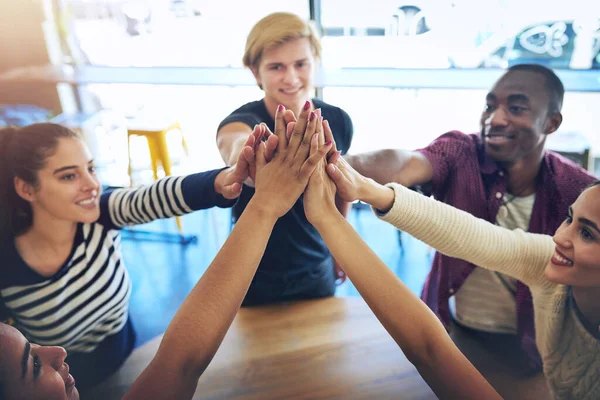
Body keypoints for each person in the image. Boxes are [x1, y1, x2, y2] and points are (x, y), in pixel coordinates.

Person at [0, 104, 333, 400]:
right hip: (71, 384)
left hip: (128, 358)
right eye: (69, 176)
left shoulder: (100, 214)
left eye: (91, 168)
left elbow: (158, 195)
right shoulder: (7, 267)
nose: (91, 185)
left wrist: (229, 178)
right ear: (26, 188)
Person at [346, 63, 596, 371]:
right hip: (455, 331)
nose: (495, 118)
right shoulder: (461, 151)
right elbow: (405, 163)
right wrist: (342, 164)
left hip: (532, 351)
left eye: (516, 108)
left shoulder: (576, 190)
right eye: (490, 106)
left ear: (551, 123)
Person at [324, 152, 599, 399]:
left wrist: (326, 216)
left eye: (586, 234)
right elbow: (473, 236)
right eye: (568, 218)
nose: (560, 237)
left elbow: (429, 350)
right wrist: (369, 190)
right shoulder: (548, 261)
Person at [216, 12, 354, 305]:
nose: (291, 78)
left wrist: (341, 251)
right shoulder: (239, 122)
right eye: (276, 67)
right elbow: (235, 146)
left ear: (314, 63)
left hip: (316, 269)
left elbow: (343, 188)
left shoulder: (339, 121)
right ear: (255, 72)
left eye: (300, 64)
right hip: (251, 271)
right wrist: (250, 155)